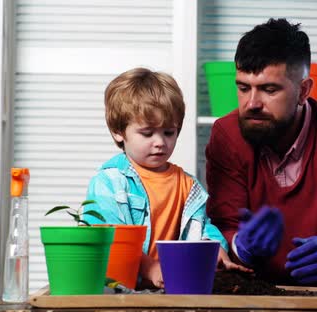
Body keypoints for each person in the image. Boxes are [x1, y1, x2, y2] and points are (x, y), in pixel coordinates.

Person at [205, 18, 317, 288]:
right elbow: (221, 227)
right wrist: (240, 244)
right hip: (248, 299)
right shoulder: (226, 135)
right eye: (243, 87)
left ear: (304, 91)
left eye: (269, 89)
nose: (251, 103)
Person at [85, 67, 250, 289]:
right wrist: (150, 267)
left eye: (169, 132)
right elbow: (108, 238)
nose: (160, 142)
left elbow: (202, 228)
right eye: (147, 133)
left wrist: (215, 251)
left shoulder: (188, 185)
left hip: (174, 289)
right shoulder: (109, 182)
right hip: (119, 294)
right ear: (118, 132)